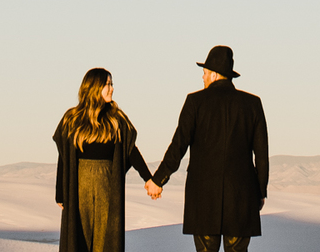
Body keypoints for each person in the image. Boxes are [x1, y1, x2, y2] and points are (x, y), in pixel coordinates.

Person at [151, 45, 269, 251]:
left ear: (214, 75)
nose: (203, 78)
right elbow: (261, 155)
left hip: (203, 196)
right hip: (241, 195)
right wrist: (260, 191)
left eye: (204, 73)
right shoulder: (252, 104)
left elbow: (178, 146)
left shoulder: (195, 102)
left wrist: (158, 179)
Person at [53, 67, 153, 252]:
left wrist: (148, 178)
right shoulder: (72, 119)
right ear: (93, 87)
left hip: (107, 186)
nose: (112, 89)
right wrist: (60, 192)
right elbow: (64, 157)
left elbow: (131, 150)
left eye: (111, 84)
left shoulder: (117, 119)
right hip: (79, 187)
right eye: (107, 84)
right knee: (78, 239)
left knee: (106, 240)